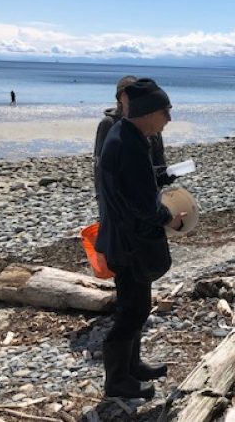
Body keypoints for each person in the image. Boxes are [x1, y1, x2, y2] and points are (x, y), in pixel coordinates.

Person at [95, 78, 185, 399]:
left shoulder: (128, 135)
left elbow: (135, 185)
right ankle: (117, 380)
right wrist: (170, 219)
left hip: (124, 239)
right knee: (132, 310)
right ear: (148, 112)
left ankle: (132, 366)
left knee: (139, 306)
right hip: (128, 243)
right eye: (166, 111)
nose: (169, 119)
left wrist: (160, 177)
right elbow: (142, 206)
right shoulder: (127, 142)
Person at [93, 76, 173, 214]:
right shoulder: (110, 125)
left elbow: (158, 155)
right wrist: (101, 198)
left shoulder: (152, 125)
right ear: (120, 98)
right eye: (127, 94)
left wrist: (164, 176)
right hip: (120, 200)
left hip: (149, 192)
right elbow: (101, 165)